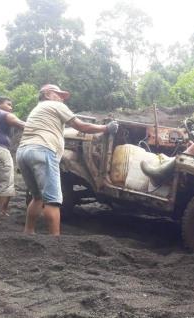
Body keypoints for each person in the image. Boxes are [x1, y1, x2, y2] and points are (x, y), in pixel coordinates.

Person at [16, 84, 119, 236]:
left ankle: (28, 232)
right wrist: (106, 128)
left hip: (23, 152)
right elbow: (81, 126)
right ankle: (55, 240)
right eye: (59, 94)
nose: (62, 98)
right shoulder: (55, 105)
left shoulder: (38, 109)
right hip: (43, 150)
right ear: (47, 94)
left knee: (37, 197)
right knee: (53, 200)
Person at [0, 96, 25, 221]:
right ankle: (2, 213)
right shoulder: (3, 114)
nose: (11, 108)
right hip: (0, 150)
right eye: (8, 104)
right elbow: (21, 124)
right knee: (5, 183)